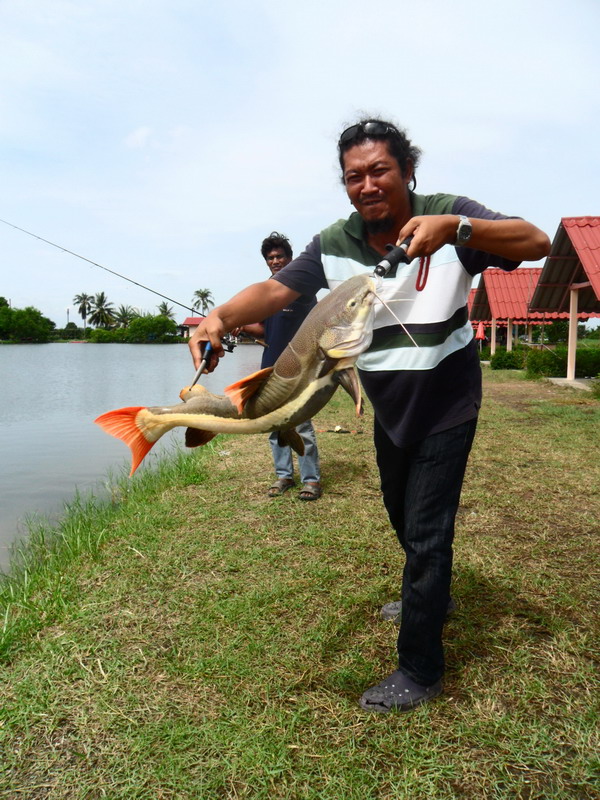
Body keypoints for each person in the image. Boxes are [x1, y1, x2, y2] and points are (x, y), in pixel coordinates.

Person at [189, 118, 551, 713]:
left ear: (408, 170)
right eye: (354, 176)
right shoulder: (335, 240)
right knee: (400, 514)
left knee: (429, 533)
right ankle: (428, 593)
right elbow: (277, 292)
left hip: (446, 400)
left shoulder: (448, 212)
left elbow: (534, 242)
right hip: (389, 407)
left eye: (379, 170)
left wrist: (457, 228)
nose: (367, 185)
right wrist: (219, 317)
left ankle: (420, 669)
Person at [237, 232, 322, 501]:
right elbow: (265, 329)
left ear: (290, 258)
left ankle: (311, 480)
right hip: (270, 371)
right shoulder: (268, 294)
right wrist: (240, 324)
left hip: (299, 371)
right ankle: (284, 475)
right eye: (271, 258)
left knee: (302, 425)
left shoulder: (302, 291)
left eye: (280, 256)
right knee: (274, 425)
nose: (275, 261)